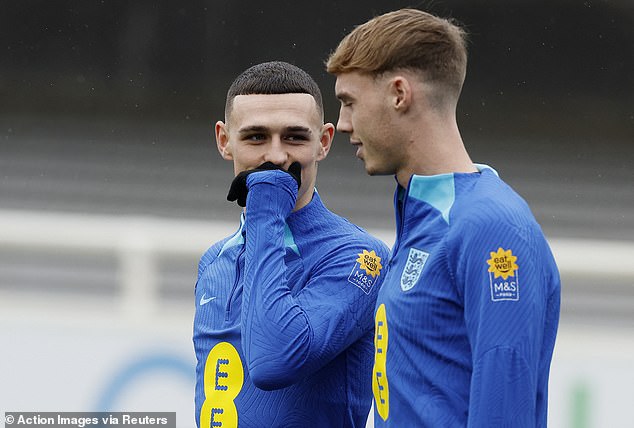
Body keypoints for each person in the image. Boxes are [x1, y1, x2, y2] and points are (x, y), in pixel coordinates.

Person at [326, 8, 561, 428]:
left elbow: (503, 415)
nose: (342, 123)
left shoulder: (492, 228)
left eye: (349, 102)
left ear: (399, 93)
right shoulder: (422, 215)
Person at [192, 61, 389, 428]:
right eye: (255, 137)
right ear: (224, 141)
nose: (277, 156)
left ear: (324, 142)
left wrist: (266, 209)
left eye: (295, 137)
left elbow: (273, 361)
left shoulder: (360, 257)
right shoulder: (215, 260)